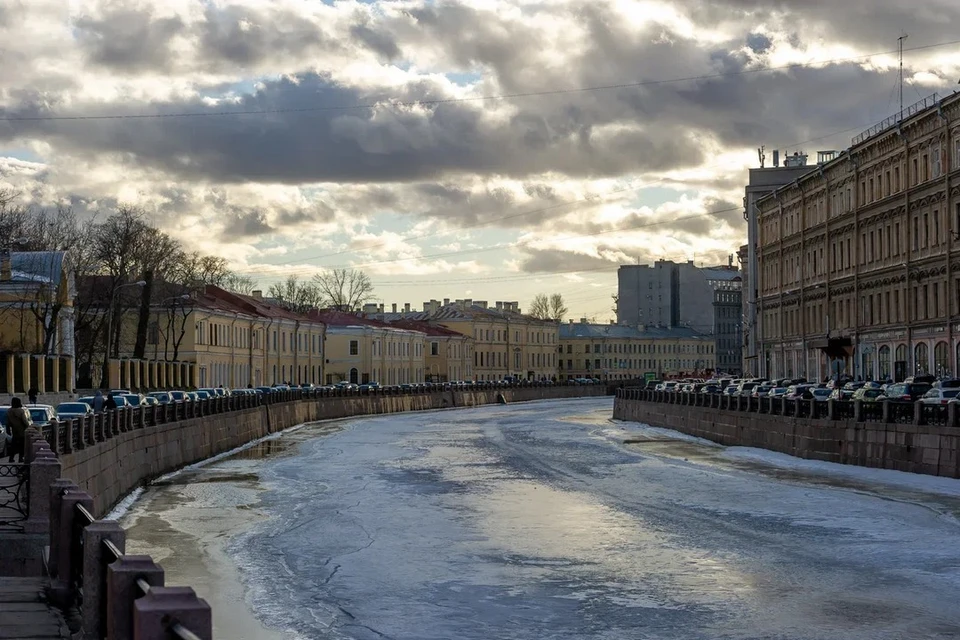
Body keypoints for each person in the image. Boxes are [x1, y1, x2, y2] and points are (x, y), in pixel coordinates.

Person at [6, 398, 29, 463]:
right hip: (22, 430)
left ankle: (11, 458)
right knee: (22, 445)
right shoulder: (21, 411)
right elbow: (25, 421)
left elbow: (7, 422)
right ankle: (20, 458)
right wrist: (28, 426)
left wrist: (8, 430)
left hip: (14, 430)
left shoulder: (9, 411)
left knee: (13, 445)